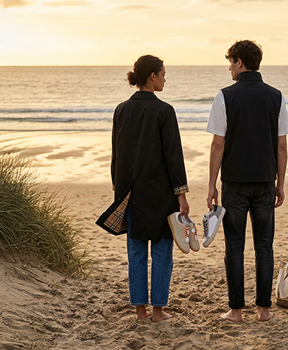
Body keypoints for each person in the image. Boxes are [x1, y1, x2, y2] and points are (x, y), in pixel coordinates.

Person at [96, 54, 190, 322]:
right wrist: (181, 194)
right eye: (162, 74)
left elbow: (117, 155)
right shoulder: (164, 111)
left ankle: (140, 311)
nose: (164, 79)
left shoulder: (121, 110)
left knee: (136, 251)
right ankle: (158, 311)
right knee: (161, 251)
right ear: (152, 76)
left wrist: (119, 191)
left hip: (130, 192)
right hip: (160, 194)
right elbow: (174, 157)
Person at [206, 40, 288, 322]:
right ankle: (264, 310)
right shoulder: (275, 96)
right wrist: (280, 183)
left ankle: (236, 311)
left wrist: (211, 185)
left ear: (240, 62)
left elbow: (218, 145)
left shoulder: (225, 96)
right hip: (266, 181)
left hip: (235, 182)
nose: (229, 67)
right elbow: (281, 146)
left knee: (235, 246)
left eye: (231, 62)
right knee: (264, 247)